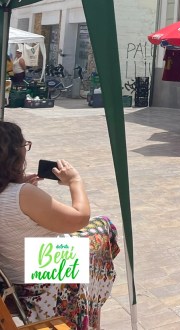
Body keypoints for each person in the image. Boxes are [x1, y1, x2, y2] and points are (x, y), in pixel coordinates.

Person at [0, 121, 119, 330]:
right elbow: (79, 218)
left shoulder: (16, 192)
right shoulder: (23, 195)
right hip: (41, 273)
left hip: (11, 270)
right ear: (15, 154)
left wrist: (20, 185)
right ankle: (89, 304)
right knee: (105, 227)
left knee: (97, 233)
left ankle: (90, 298)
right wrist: (75, 181)